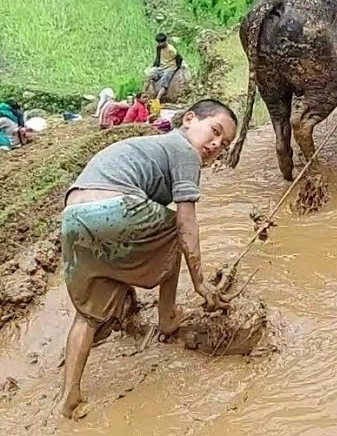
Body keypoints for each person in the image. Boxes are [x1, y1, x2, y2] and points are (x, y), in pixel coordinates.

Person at [58, 99, 238, 419]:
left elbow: (138, 233)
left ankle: (70, 394)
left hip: (74, 214)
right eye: (214, 131)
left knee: (88, 313)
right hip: (115, 204)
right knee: (174, 230)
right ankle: (167, 316)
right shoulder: (184, 151)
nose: (215, 145)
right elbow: (185, 223)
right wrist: (200, 283)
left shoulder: (153, 146)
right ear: (188, 119)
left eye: (224, 144)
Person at [150, 33, 184, 103]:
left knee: (164, 81)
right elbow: (158, 57)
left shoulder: (171, 49)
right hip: (162, 67)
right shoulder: (159, 48)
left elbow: (179, 58)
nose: (160, 44)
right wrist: (154, 66)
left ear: (165, 41)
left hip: (170, 67)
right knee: (150, 75)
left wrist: (177, 68)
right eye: (158, 43)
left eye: (161, 42)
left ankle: (157, 99)